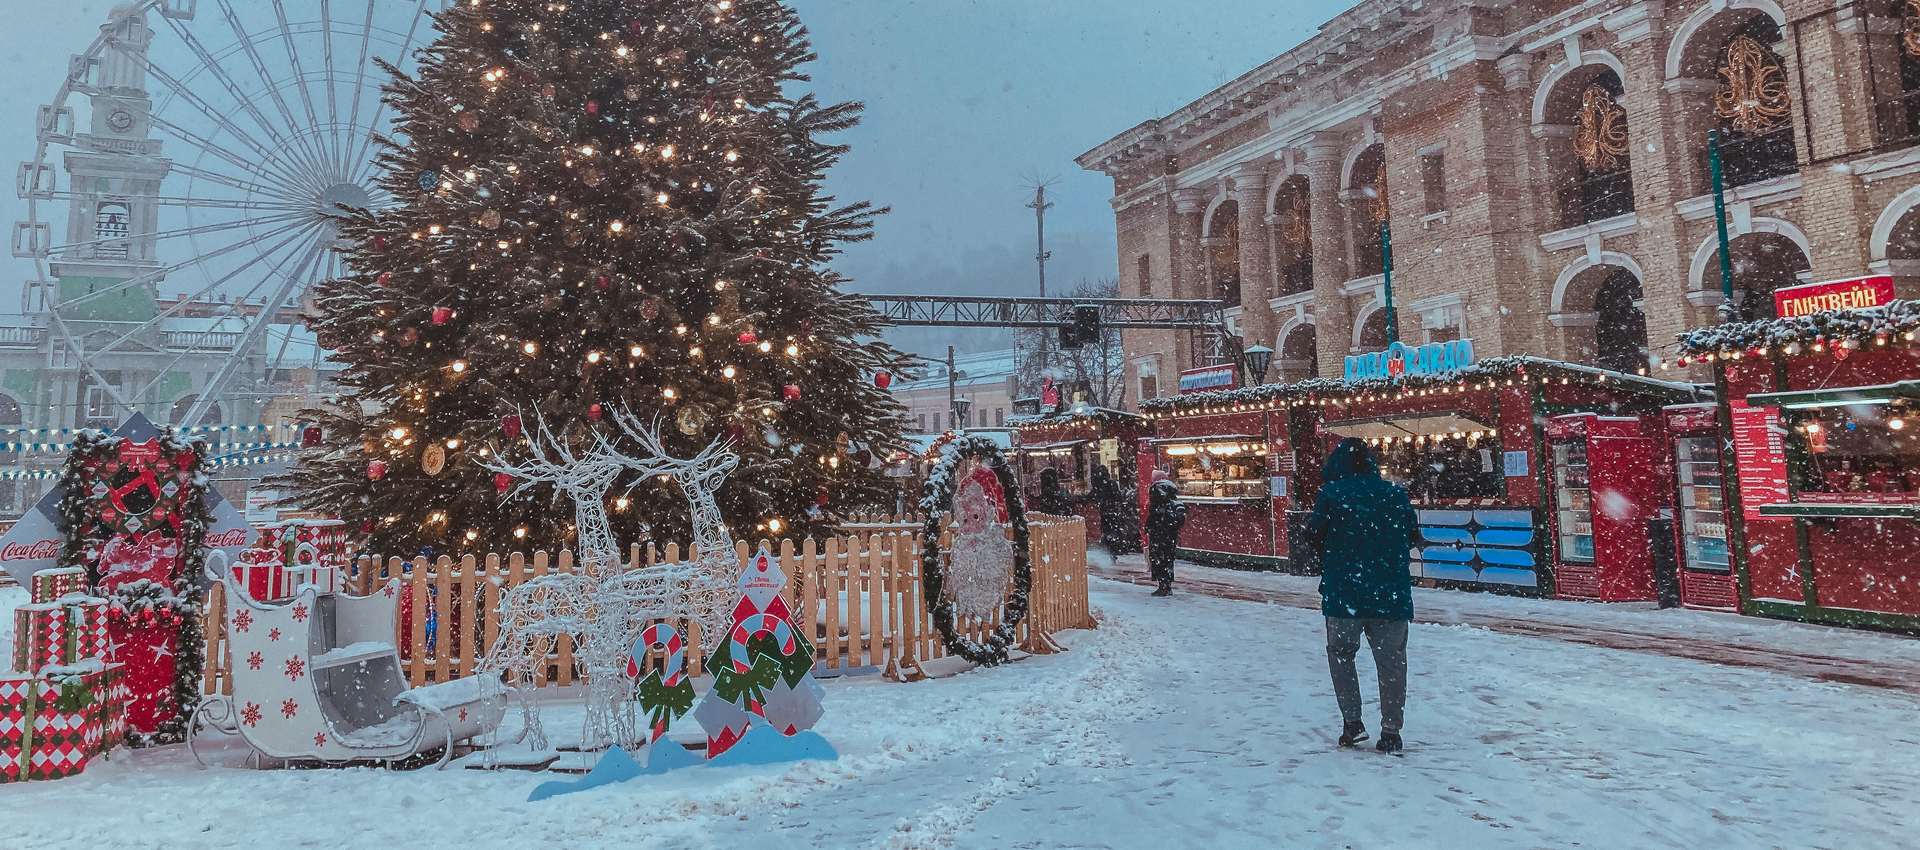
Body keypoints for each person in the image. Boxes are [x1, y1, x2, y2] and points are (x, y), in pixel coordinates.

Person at [1306, 438, 1419, 755]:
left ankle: (1352, 723)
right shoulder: (1395, 494)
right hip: (1390, 594)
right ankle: (1391, 731)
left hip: (1345, 593)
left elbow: (1313, 535)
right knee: (1392, 663)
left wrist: (1339, 554)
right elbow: (1412, 534)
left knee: (1342, 655)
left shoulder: (1330, 495)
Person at [1144, 480, 1187, 596]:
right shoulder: (1169, 504)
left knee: (1161, 560)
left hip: (1162, 537)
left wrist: (1152, 527)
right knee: (1165, 560)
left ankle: (1164, 586)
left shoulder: (1163, 505)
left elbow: (1155, 520)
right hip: (1166, 537)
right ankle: (1165, 585)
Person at [1089, 465, 1139, 555]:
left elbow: (1093, 496)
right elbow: (1118, 497)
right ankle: (1114, 548)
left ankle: (1110, 549)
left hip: (1105, 511)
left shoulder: (1099, 484)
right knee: (1114, 530)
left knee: (1107, 530)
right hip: (1113, 511)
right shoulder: (1112, 483)